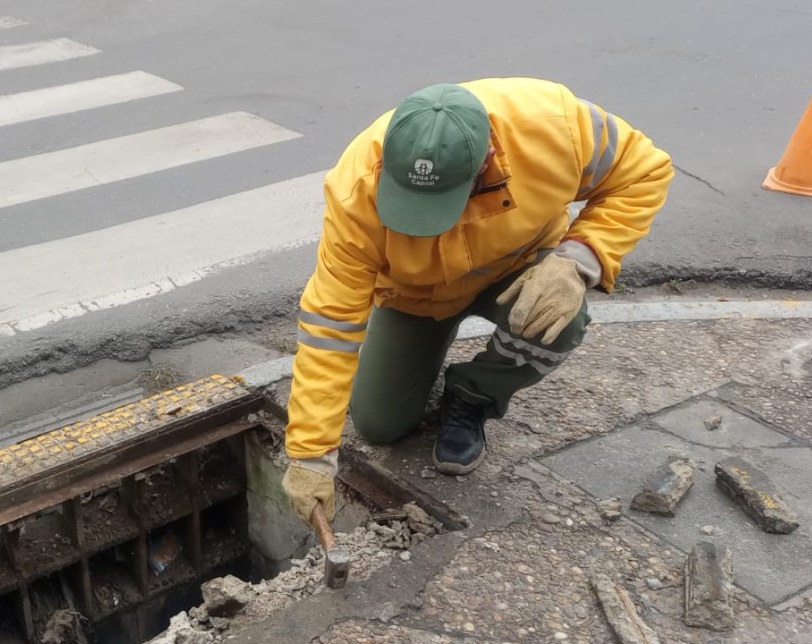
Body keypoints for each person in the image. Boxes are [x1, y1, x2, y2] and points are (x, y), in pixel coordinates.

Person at [281, 78, 673, 524]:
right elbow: (330, 325)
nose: (427, 225)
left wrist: (579, 257)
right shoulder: (357, 190)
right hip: (417, 297)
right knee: (378, 424)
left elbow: (644, 172)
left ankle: (473, 393)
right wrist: (311, 455)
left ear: (487, 159)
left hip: (518, 267)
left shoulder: (555, 126)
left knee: (560, 320)